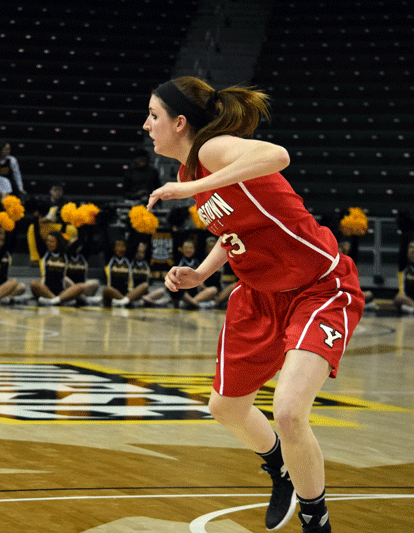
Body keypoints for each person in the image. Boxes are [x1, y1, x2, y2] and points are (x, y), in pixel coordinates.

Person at [145, 76, 364, 533]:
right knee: (225, 407)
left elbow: (276, 155)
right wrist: (202, 272)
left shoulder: (212, 151)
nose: (146, 125)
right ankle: (280, 467)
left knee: (287, 411)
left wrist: (188, 191)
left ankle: (314, 518)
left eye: (154, 116)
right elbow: (239, 229)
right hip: (259, 295)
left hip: (318, 288)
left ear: (180, 122)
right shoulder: (192, 172)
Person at [30, 231, 87, 306]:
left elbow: (80, 241)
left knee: (81, 286)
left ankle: (55, 300)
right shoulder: (44, 253)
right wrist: (36, 219)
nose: (48, 243)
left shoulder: (65, 254)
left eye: (52, 241)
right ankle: (56, 300)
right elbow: (37, 236)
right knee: (34, 284)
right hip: (46, 290)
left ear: (58, 242)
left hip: (61, 291)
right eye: (47, 241)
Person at [170, 239, 217, 309]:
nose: (188, 250)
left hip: (196, 293)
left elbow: (201, 283)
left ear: (194, 249)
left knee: (213, 289)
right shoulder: (179, 262)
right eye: (186, 248)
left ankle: (192, 302)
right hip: (184, 293)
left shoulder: (197, 262)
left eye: (190, 248)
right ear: (182, 249)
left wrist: (207, 291)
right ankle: (198, 304)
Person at [101, 238, 149, 307]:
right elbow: (105, 241)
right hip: (113, 294)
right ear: (114, 248)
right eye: (118, 246)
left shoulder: (128, 259)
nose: (121, 248)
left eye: (123, 246)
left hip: (127, 294)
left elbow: (135, 240)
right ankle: (128, 302)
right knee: (106, 289)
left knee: (145, 285)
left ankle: (124, 301)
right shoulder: (109, 258)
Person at [393, 239, 414, 314]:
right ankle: (411, 307)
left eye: (413, 248)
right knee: (399, 298)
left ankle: (409, 308)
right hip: (409, 299)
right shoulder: (405, 270)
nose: (412, 251)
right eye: (410, 248)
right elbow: (402, 291)